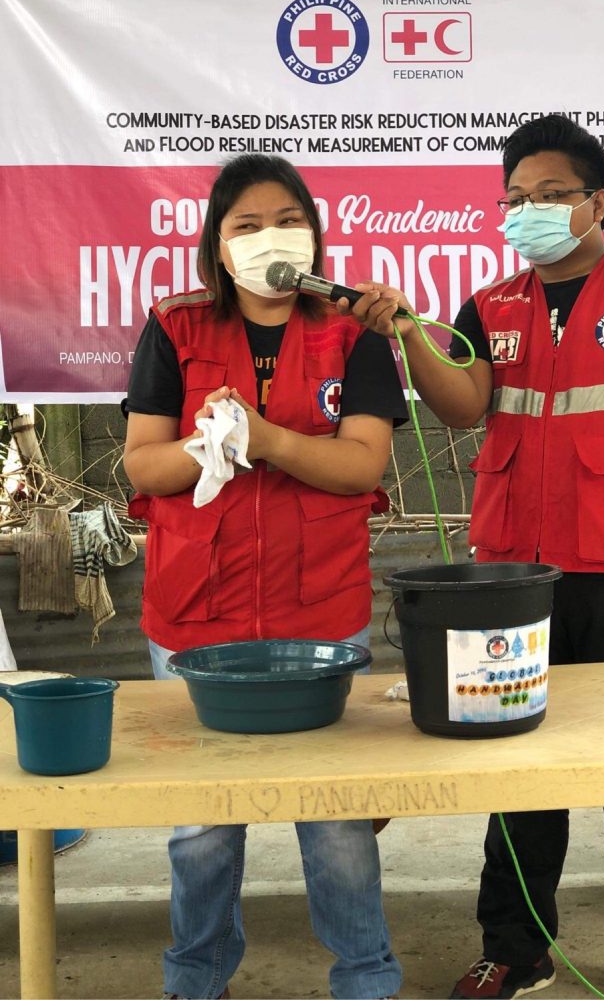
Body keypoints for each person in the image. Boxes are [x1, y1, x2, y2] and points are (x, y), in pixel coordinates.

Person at [340, 115, 604, 1000]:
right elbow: (460, 406)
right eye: (515, 199)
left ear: (600, 202)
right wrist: (410, 329)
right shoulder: (491, 306)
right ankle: (516, 948)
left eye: (553, 195)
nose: (530, 211)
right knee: (518, 772)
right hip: (513, 585)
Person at [122, 153, 407, 1000]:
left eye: (287, 220)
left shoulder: (353, 331)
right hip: (195, 613)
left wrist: (268, 440)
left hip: (320, 614)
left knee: (339, 821)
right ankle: (196, 976)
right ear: (217, 247)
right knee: (203, 824)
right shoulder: (175, 327)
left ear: (315, 236)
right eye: (245, 225)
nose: (267, 238)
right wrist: (203, 447)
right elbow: (144, 466)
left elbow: (362, 465)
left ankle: (366, 976)